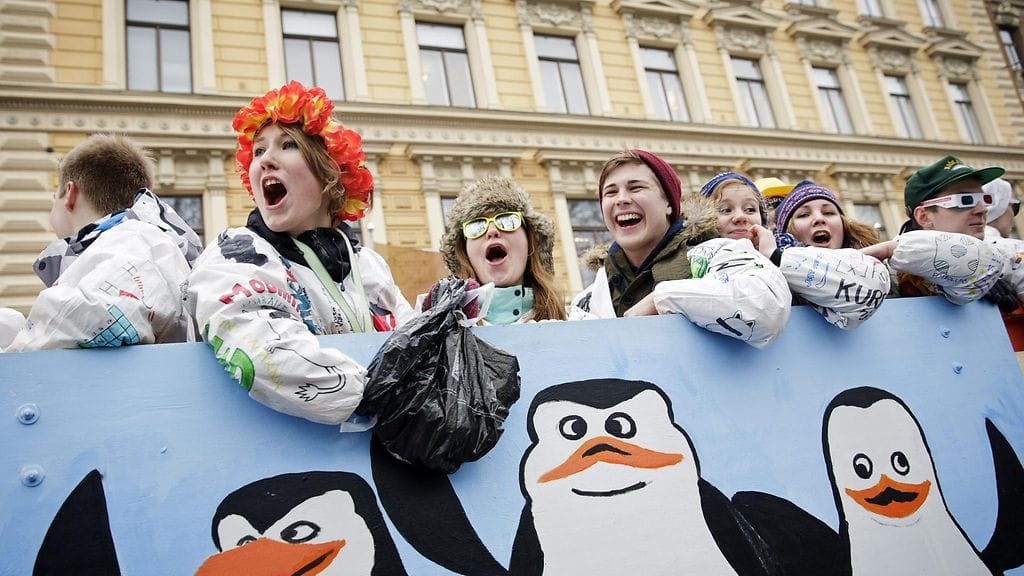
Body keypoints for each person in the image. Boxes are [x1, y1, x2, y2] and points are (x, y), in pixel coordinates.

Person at [185, 81, 414, 426]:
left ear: (329, 173)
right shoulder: (234, 253)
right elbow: (264, 351)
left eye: (287, 145)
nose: (266, 161)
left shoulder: (367, 264)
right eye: (258, 151)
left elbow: (411, 341)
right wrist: (382, 397)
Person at [570, 150, 790, 348]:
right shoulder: (588, 298)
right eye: (610, 193)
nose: (622, 199)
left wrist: (662, 299)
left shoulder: (718, 252)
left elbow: (768, 306)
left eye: (635, 187)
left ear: (668, 203)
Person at [2, 133, 201, 352]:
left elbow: (88, 318)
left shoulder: (133, 239)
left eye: (53, 199)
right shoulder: (138, 240)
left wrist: (14, 349)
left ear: (69, 193)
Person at [860, 155, 1010, 306]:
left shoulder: (1004, 262)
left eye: (985, 199)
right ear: (924, 217)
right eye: (965, 200)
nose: (982, 210)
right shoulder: (884, 278)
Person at [749, 179, 889, 329]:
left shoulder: (886, 272)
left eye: (828, 212)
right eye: (803, 215)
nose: (819, 219)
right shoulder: (764, 279)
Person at [432, 175, 566, 324]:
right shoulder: (439, 332)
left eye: (507, 220)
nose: (492, 231)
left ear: (530, 240)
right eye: (477, 225)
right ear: (464, 252)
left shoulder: (576, 323)